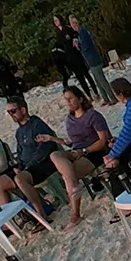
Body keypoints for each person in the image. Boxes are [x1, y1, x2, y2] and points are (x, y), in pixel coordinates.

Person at [50, 85, 114, 229]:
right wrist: (52, 139)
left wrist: (84, 151)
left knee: (68, 177)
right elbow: (71, 141)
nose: (68, 102)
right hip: (76, 150)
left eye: (70, 99)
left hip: (94, 152)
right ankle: (75, 186)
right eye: (66, 100)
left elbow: (103, 141)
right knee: (55, 155)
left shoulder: (93, 116)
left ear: (80, 98)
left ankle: (75, 215)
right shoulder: (70, 119)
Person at [0, 97, 62, 220]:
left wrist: (27, 167)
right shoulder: (19, 132)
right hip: (27, 168)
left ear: (23, 110)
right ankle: (9, 222)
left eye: (13, 111)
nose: (11, 115)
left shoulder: (37, 125)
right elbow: (20, 152)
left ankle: (41, 216)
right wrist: (18, 167)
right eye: (9, 112)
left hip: (42, 165)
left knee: (21, 179)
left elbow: (45, 148)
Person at [70, 15, 114, 104]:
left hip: (93, 59)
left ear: (75, 24)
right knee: (97, 81)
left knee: (101, 80)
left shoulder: (83, 33)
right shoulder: (79, 33)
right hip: (90, 60)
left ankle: (112, 97)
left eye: (71, 24)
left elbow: (86, 46)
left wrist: (78, 46)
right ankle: (105, 98)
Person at [52, 15, 95, 98]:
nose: (55, 22)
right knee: (80, 78)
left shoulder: (68, 29)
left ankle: (95, 91)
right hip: (69, 58)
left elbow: (76, 34)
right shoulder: (58, 33)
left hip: (76, 54)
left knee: (86, 74)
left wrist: (75, 40)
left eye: (56, 20)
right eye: (54, 21)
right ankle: (89, 95)